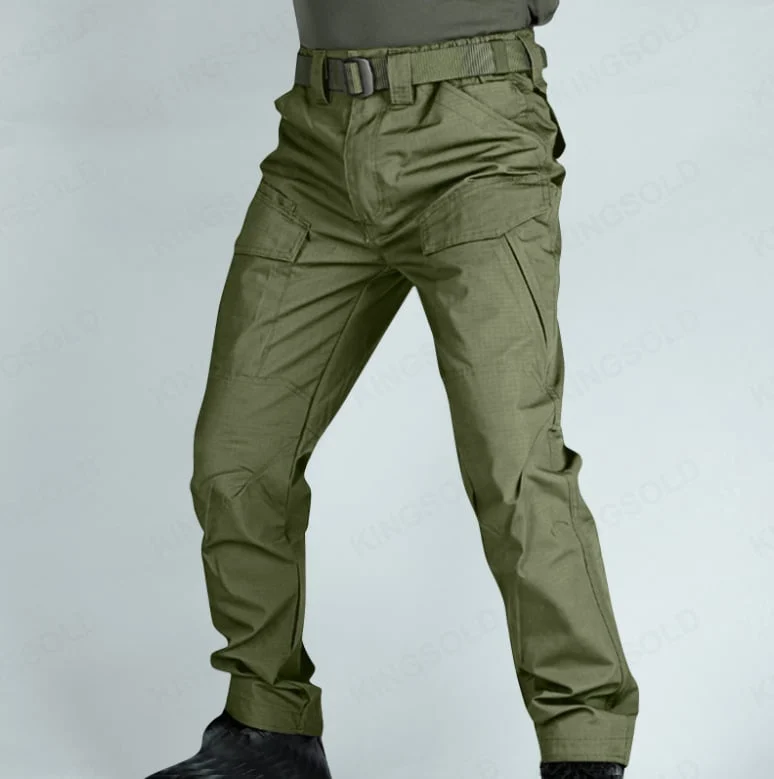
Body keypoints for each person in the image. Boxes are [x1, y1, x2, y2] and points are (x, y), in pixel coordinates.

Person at [145, 1, 639, 777]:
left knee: (512, 464)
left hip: (475, 138)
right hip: (317, 140)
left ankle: (584, 746)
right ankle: (268, 732)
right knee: (236, 455)